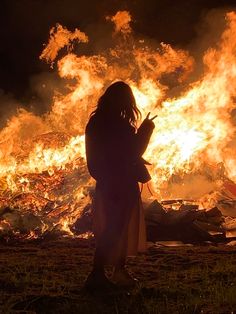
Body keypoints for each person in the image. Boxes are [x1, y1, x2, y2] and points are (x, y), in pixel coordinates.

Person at [85, 81, 156, 290]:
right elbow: (133, 151)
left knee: (116, 227)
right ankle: (97, 273)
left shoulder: (96, 122)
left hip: (107, 181)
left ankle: (118, 270)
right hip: (121, 182)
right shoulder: (117, 125)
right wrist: (146, 129)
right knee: (116, 228)